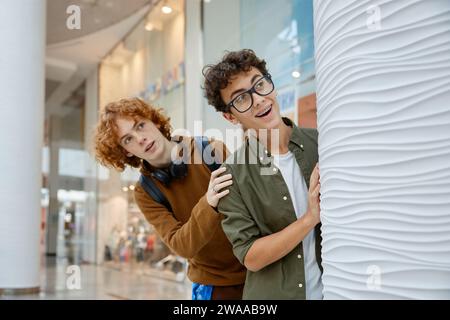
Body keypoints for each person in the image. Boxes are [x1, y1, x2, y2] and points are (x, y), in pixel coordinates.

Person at [94, 97, 246, 299]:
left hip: (256, 269)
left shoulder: (210, 149)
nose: (140, 138)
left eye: (140, 126)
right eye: (128, 139)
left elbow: (248, 209)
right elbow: (182, 245)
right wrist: (208, 203)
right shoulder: (145, 191)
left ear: (154, 121)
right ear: (126, 151)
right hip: (214, 284)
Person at [202, 49, 323, 299]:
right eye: (241, 99)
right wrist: (310, 218)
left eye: (259, 85)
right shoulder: (231, 176)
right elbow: (251, 257)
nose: (258, 99)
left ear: (272, 85)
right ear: (229, 116)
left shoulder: (322, 144)